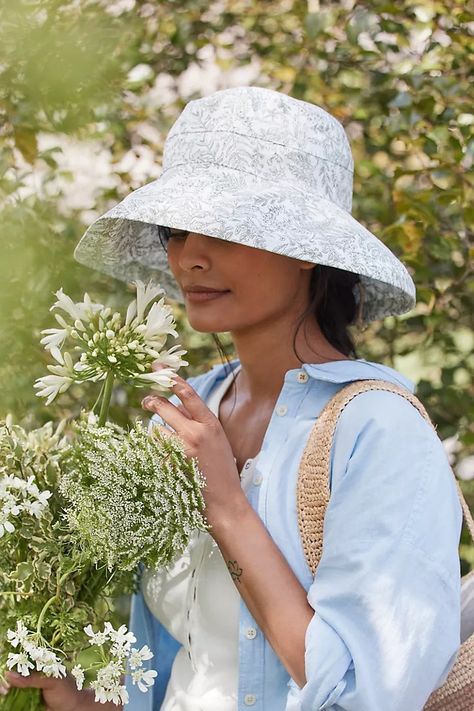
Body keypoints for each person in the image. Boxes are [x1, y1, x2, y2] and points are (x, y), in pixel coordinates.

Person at [6, 86, 463, 710]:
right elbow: (177, 672)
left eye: (225, 228)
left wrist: (225, 501)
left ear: (309, 249)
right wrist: (67, 687)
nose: (190, 258)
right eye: (176, 230)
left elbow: (368, 693)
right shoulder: (190, 409)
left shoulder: (375, 431)